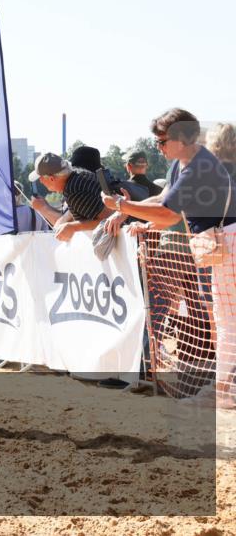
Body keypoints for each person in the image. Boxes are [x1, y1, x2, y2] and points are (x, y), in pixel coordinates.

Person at [102, 109, 236, 404]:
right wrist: (125, 206)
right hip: (221, 242)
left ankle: (223, 391)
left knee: (225, 322)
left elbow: (167, 213)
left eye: (161, 141)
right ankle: (223, 388)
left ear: (181, 139)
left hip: (228, 242)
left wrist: (124, 207)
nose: (157, 148)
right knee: (223, 320)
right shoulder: (184, 163)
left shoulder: (197, 166)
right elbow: (163, 202)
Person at [28, 152, 114, 242]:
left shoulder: (74, 191)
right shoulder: (78, 175)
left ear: (51, 178)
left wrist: (72, 227)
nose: (41, 182)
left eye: (41, 178)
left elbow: (108, 218)